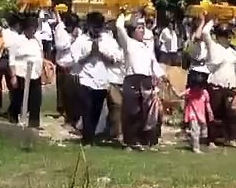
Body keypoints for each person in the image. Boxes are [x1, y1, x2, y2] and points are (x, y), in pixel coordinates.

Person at [114, 13, 166, 150]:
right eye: (138, 28)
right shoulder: (128, 43)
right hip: (132, 79)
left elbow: (153, 62)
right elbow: (119, 26)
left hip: (146, 80)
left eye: (143, 28)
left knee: (145, 112)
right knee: (132, 111)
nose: (142, 30)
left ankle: (142, 140)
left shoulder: (147, 46)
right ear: (132, 31)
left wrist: (160, 75)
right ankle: (130, 141)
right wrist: (124, 10)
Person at [70, 12, 123, 145]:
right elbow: (76, 61)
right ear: (89, 26)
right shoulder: (81, 41)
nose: (97, 31)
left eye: (99, 28)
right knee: (87, 110)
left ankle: (91, 136)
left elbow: (116, 59)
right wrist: (90, 54)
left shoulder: (108, 41)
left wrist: (101, 54)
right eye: (95, 27)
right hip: (85, 80)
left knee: (96, 111)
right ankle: (87, 140)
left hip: (102, 81)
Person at [198, 19, 236, 148]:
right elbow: (205, 32)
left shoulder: (233, 52)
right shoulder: (214, 47)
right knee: (214, 114)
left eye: (229, 36)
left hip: (230, 86)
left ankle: (231, 139)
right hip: (216, 86)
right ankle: (211, 140)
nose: (229, 39)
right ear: (220, 37)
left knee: (232, 115)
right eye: (226, 36)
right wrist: (212, 19)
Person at [8, 13, 46, 129]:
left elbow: (40, 55)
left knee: (35, 100)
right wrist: (13, 75)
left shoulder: (37, 41)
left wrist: (42, 70)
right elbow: (12, 59)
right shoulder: (18, 40)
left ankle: (34, 123)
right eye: (31, 28)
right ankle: (13, 118)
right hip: (21, 73)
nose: (33, 31)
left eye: (34, 29)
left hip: (35, 73)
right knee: (18, 99)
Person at [177, 70, 214, 153]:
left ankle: (192, 141)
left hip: (201, 115)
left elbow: (207, 104)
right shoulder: (190, 91)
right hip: (192, 114)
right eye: (196, 85)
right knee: (195, 131)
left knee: (203, 133)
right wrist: (173, 89)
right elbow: (179, 95)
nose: (197, 88)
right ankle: (196, 148)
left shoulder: (204, 93)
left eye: (199, 86)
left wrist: (210, 113)